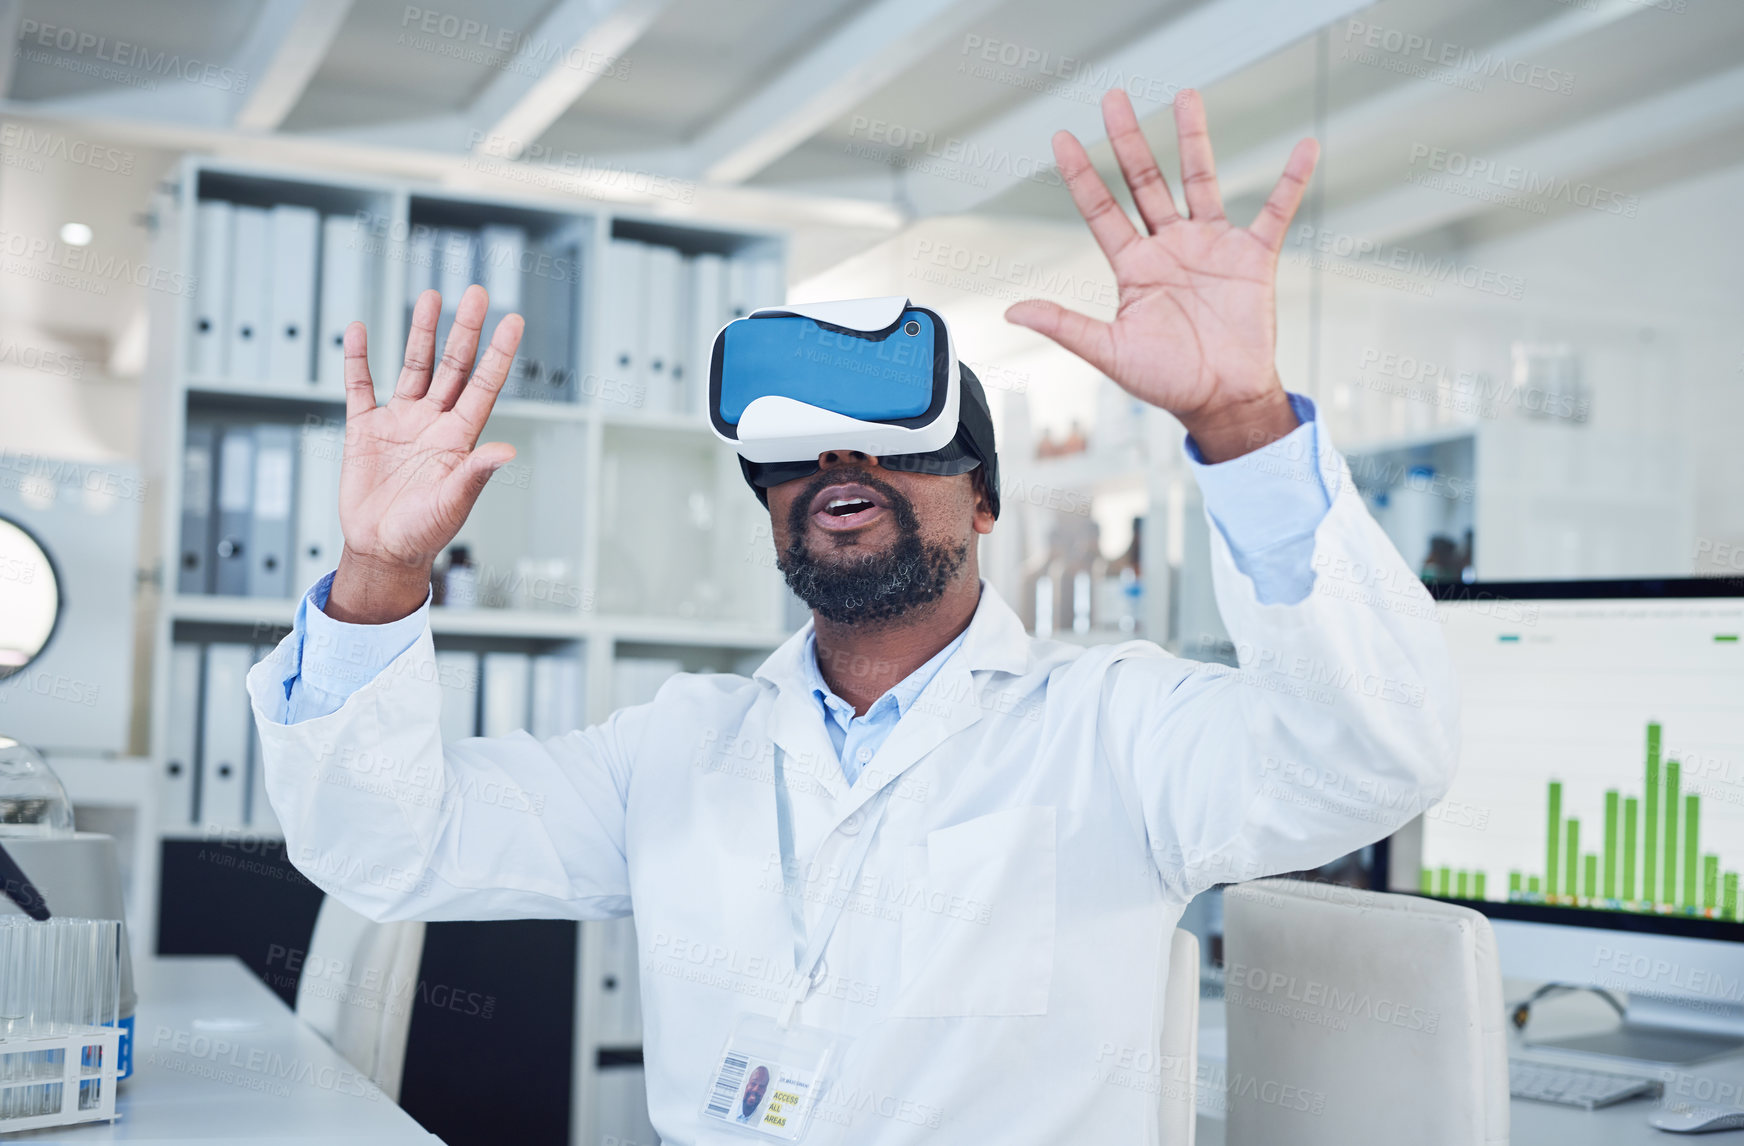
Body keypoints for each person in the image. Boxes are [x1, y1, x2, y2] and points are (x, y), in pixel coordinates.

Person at [248, 88, 1458, 1143]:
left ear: (983, 500)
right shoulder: (675, 748)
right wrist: (376, 572)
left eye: (896, 443)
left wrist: (1244, 425)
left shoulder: (1116, 727)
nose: (841, 463)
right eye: (794, 458)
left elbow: (1369, 763)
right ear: (773, 509)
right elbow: (384, 850)